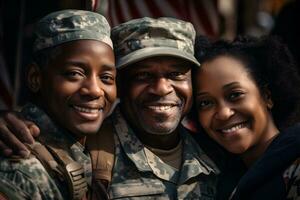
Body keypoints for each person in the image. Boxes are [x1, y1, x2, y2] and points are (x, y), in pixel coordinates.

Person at [0, 17, 220, 199]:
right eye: (143, 75)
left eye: (176, 74)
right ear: (121, 83)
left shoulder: (217, 149)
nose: (162, 88)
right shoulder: (85, 151)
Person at [0, 9, 116, 199]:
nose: (95, 90)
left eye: (106, 77)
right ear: (35, 78)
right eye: (74, 73)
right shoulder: (18, 169)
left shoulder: (85, 145)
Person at [193, 35, 300, 199]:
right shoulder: (215, 180)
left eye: (235, 95)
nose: (223, 113)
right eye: (205, 103)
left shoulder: (295, 164)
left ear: (267, 96)